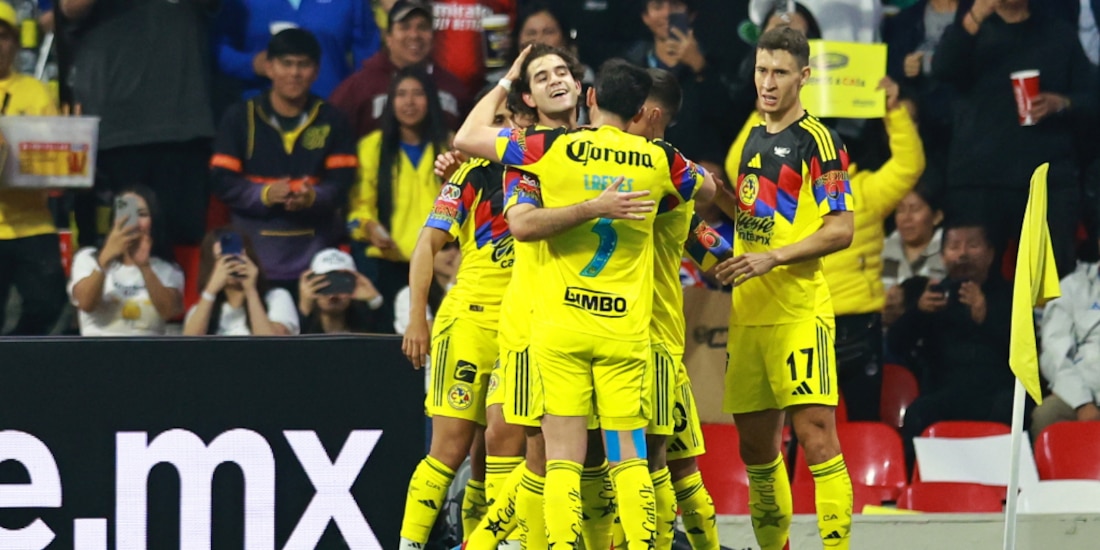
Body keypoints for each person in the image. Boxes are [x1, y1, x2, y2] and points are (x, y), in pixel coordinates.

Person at [455, 50, 715, 549]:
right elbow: (707, 191)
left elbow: (468, 138)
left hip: (563, 329)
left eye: (562, 73)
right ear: (640, 111)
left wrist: (506, 79)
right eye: (541, 76)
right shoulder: (660, 159)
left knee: (562, 463)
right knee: (629, 461)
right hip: (619, 331)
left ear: (587, 93)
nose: (555, 81)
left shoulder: (546, 150)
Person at [712, 27, 855, 550]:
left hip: (798, 312)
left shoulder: (820, 142)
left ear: (804, 76)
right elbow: (758, 221)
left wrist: (773, 258)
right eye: (761, 70)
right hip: (749, 316)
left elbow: (841, 229)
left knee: (816, 438)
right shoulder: (752, 138)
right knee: (755, 451)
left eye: (780, 73)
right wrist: (718, 197)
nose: (768, 83)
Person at [396, 95, 520, 547]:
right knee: (450, 449)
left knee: (497, 454)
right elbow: (425, 246)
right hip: (468, 323)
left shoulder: (549, 174)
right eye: (494, 119)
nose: (501, 127)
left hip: (522, 331)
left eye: (509, 119)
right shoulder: (469, 177)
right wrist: (418, 318)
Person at [626, 67, 729, 549]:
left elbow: (710, 247)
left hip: (641, 341)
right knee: (678, 467)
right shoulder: (676, 177)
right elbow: (711, 249)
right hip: (661, 342)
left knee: (647, 465)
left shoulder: (659, 172)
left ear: (649, 114)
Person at [933, 0, 1097, 276]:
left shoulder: (1058, 34)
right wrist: (976, 14)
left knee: (1047, 281)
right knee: (972, 281)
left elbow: (1090, 98)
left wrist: (1062, 103)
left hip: (1044, 180)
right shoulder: (971, 30)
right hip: (978, 180)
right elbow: (942, 69)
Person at [211, 29, 358, 298]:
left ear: (316, 71)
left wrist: (312, 197)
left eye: (303, 65)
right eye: (286, 64)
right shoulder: (239, 117)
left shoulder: (332, 119)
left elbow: (342, 183)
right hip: (252, 262)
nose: (294, 73)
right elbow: (222, 181)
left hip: (316, 262)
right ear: (269, 67)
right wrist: (265, 194)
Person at [63, 0, 216, 248]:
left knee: (180, 244)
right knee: (121, 242)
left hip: (181, 128)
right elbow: (71, 7)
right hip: (116, 134)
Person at [889, 222, 1014, 467]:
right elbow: (895, 345)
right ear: (943, 256)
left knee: (1010, 408)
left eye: (973, 245)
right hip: (944, 392)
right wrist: (918, 312)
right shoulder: (932, 295)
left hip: (994, 392)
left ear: (990, 254)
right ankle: (915, 481)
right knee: (918, 413)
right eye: (954, 247)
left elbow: (1027, 352)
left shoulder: (1009, 295)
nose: (963, 254)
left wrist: (986, 316)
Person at [347, 66, 450, 334]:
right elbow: (357, 209)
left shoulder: (450, 146)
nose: (409, 102)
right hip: (389, 263)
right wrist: (368, 227)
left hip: (439, 262)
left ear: (431, 100)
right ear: (390, 101)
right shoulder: (372, 147)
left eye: (418, 94)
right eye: (401, 94)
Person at [0, 1, 66, 336]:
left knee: (49, 304)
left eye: (2, 36)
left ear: (14, 43)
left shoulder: (36, 92)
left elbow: (57, 158)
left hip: (33, 222)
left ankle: (13, 356)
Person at [329, 0, 470, 137]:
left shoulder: (453, 88)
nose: (414, 35)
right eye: (405, 27)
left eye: (422, 27)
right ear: (388, 37)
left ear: (433, 37)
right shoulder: (358, 88)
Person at [623, 0, 733, 167]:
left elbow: (727, 119)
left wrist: (700, 67)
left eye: (675, 5)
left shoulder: (714, 63)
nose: (667, 13)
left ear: (691, 14)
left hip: (696, 164)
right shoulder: (631, 67)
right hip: (642, 161)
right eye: (658, 6)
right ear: (645, 16)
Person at [68, 186, 184, 336]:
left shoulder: (166, 268)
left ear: (153, 221)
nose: (134, 222)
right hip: (98, 348)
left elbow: (169, 312)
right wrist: (104, 260)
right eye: (126, 214)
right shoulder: (87, 258)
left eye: (142, 214)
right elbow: (85, 303)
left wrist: (145, 267)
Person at [213, 0, 380, 99]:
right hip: (262, 115)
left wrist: (357, 99)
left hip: (329, 111)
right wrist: (250, 64)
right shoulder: (241, 3)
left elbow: (368, 54)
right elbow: (218, 48)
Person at [1033, 233, 1100, 442]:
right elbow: (1054, 353)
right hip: (1085, 392)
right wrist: (1082, 402)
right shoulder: (1072, 287)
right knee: (1047, 414)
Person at [182, 227, 299, 336]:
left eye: (236, 256)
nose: (232, 263)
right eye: (222, 258)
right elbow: (189, 344)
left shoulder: (277, 297)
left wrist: (251, 291)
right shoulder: (201, 309)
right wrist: (210, 290)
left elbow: (272, 344)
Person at [882, 186, 947, 326]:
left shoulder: (950, 251)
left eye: (915, 209)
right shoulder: (879, 250)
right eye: (900, 210)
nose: (906, 218)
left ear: (937, 217)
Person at [298, 248, 385, 334]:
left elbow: (386, 335)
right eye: (325, 285)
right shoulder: (304, 327)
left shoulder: (367, 325)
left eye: (340, 284)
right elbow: (296, 340)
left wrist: (375, 300)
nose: (333, 295)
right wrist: (304, 309)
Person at [392, 241, 458, 335]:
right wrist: (453, 282)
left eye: (459, 247)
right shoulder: (410, 294)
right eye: (444, 247)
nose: (454, 253)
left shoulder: (475, 291)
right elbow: (428, 334)